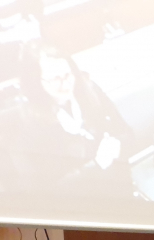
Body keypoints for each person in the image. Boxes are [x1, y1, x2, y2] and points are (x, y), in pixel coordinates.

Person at [12, 41, 133, 195]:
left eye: (68, 75)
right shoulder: (28, 126)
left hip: (117, 185)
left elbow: (127, 133)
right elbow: (44, 191)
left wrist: (118, 144)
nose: (66, 85)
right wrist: (97, 165)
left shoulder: (90, 90)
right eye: (55, 79)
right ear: (36, 83)